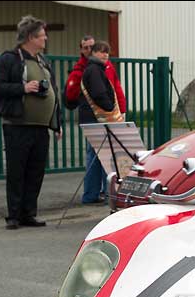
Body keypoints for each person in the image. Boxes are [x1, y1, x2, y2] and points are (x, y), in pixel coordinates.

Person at [0, 15, 61, 230]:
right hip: (17, 125)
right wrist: (23, 88)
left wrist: (56, 123)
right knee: (17, 171)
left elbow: (54, 93)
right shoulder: (10, 59)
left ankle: (29, 213)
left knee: (36, 172)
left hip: (41, 128)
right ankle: (14, 216)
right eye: (42, 35)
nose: (45, 38)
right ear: (30, 37)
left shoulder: (43, 61)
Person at [64, 34, 126, 204]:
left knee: (98, 156)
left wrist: (121, 107)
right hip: (96, 118)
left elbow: (116, 88)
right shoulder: (92, 70)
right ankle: (102, 194)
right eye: (99, 51)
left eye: (106, 52)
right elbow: (99, 93)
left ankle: (96, 194)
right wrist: (111, 108)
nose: (104, 54)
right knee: (103, 156)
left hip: (93, 117)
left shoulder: (99, 68)